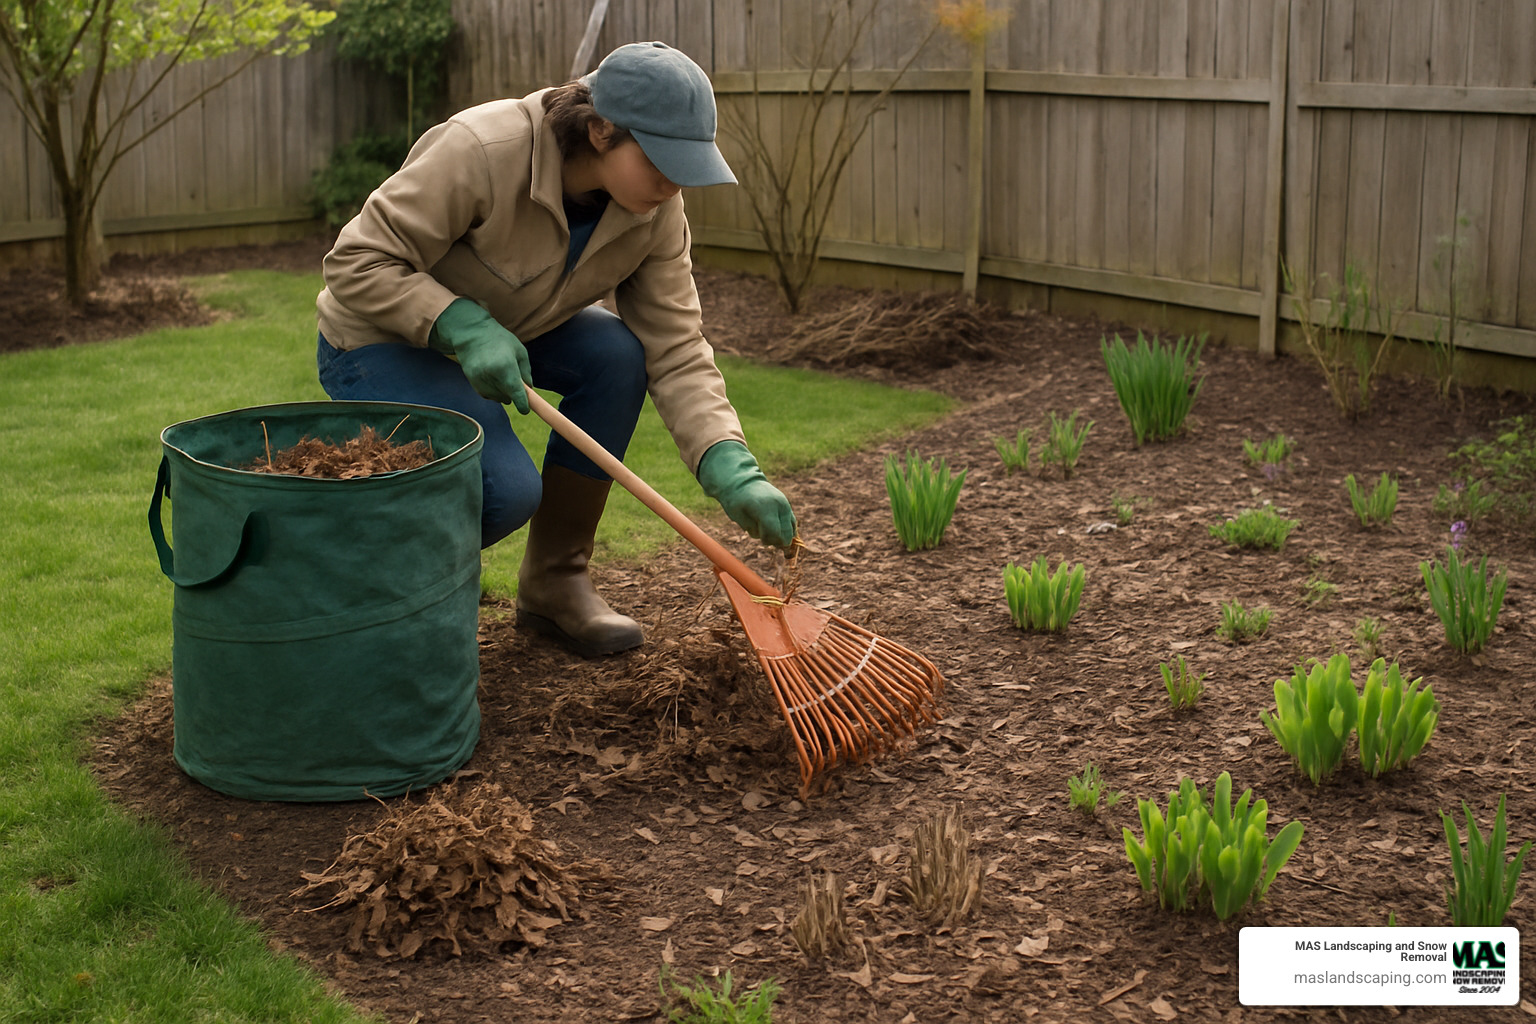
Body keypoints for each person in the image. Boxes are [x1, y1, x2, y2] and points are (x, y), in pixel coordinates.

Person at [314, 41, 796, 658]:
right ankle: (371, 605)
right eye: (661, 162)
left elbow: (674, 344)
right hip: (379, 336)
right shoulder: (481, 150)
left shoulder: (655, 211)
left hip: (514, 327)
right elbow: (356, 261)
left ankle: (555, 581)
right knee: (503, 491)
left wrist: (731, 466)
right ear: (600, 131)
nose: (675, 183)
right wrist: (460, 324)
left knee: (620, 355)